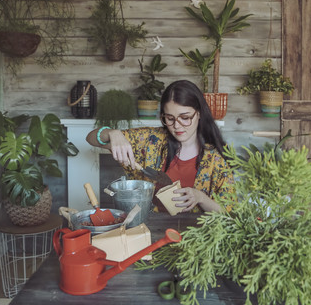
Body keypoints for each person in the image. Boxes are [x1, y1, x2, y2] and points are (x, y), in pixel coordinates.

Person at [86, 80, 233, 213]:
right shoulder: (150, 140)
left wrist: (200, 197)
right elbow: (90, 138)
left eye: (185, 118)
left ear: (199, 113)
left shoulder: (216, 158)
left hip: (197, 234)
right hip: (150, 227)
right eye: (170, 118)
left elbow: (230, 213)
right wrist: (113, 133)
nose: (177, 125)